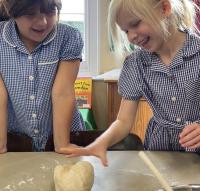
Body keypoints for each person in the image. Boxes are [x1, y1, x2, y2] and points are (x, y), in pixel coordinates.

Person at [62, 0, 200, 166]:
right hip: (160, 151)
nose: (131, 36)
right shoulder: (136, 63)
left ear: (165, 8)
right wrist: (100, 143)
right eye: (126, 30)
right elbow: (123, 122)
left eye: (135, 24)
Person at [0, 0, 85, 153]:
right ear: (11, 11)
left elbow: (62, 92)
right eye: (30, 14)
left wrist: (62, 144)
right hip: (17, 140)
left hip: (63, 135)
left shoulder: (68, 37)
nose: (43, 22)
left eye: (50, 11)